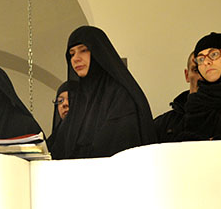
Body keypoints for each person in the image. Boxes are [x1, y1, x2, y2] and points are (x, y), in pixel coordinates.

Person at [51, 25, 156, 159]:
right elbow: (58, 147)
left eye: (84, 50)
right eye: (72, 54)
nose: (75, 58)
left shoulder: (120, 95)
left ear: (98, 52)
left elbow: (120, 143)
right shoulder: (79, 101)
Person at [153, 52, 201, 143]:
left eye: (208, 71)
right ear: (187, 75)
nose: (201, 77)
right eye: (196, 70)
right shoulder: (163, 125)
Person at [46, 80, 78, 159]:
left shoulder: (87, 134)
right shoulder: (52, 141)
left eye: (70, 98)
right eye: (60, 101)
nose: (64, 104)